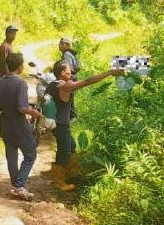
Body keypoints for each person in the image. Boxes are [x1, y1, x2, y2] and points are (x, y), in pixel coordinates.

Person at [46, 60, 124, 191]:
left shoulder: (53, 84)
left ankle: (72, 173)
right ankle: (58, 180)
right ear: (62, 73)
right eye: (69, 71)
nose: (71, 73)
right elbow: (88, 81)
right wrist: (110, 72)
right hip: (61, 125)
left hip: (56, 122)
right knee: (64, 151)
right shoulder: (65, 86)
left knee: (71, 145)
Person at [0, 52, 46, 201]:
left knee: (11, 157)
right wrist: (33, 112)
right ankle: (19, 185)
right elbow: (22, 108)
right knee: (30, 154)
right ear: (20, 67)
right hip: (19, 125)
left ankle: (17, 186)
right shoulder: (20, 83)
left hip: (5, 125)